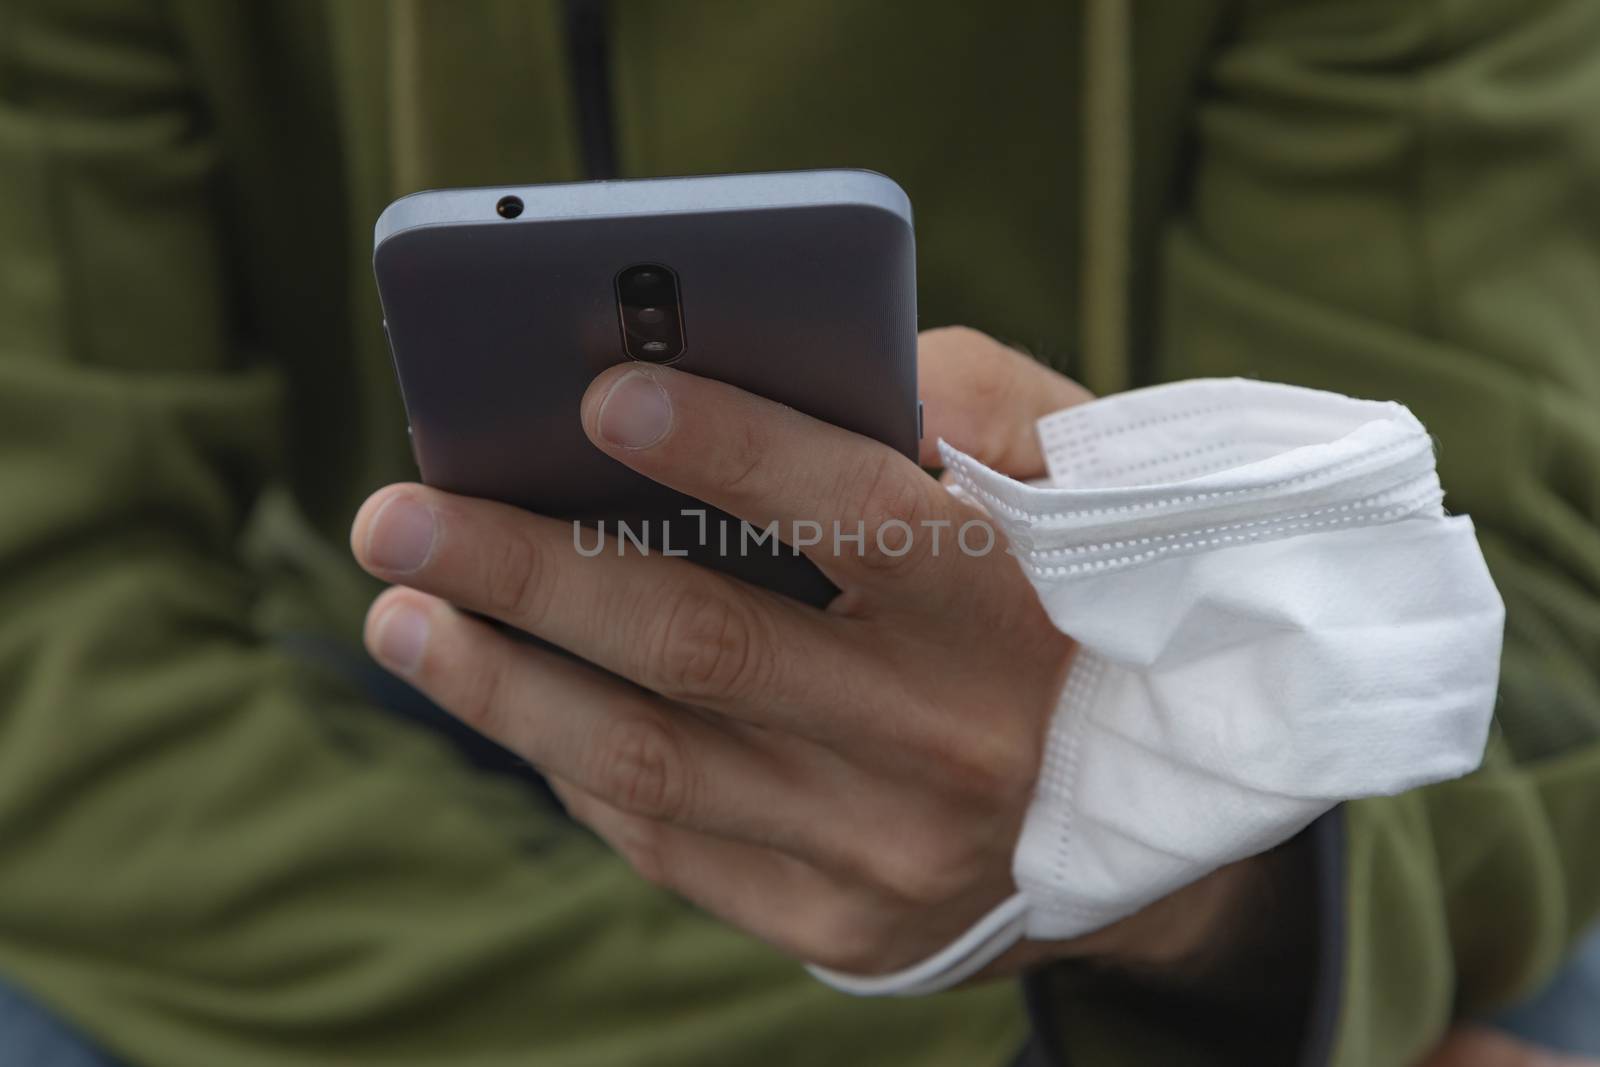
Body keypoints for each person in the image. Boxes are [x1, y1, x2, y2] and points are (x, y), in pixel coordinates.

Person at [1, 1, 1597, 1065]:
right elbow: (48, 644)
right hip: (368, 758)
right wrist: (1018, 1029)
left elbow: (1490, 640)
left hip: (1202, 820)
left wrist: (1181, 863)